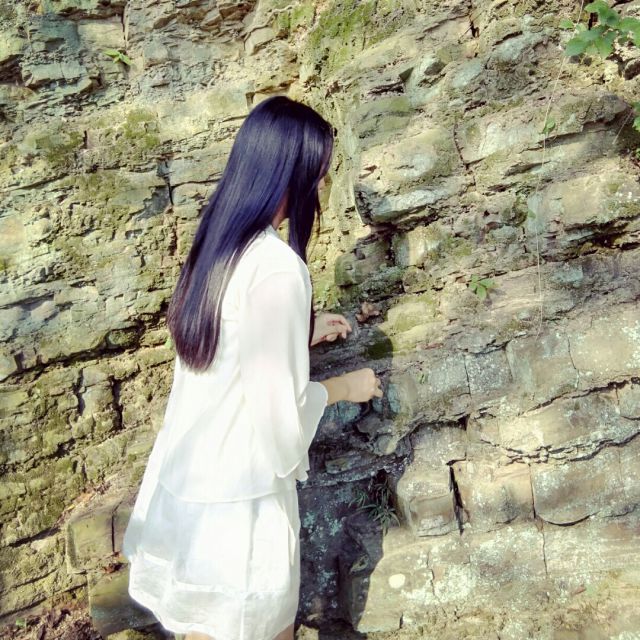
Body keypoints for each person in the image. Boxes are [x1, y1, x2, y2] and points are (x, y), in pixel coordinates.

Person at [121, 95, 384, 640]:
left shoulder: (217, 244)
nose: (322, 185)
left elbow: (222, 345)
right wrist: (345, 386)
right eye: (319, 173)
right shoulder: (277, 268)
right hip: (239, 506)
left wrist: (297, 334)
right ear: (292, 174)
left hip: (187, 486)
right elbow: (281, 423)